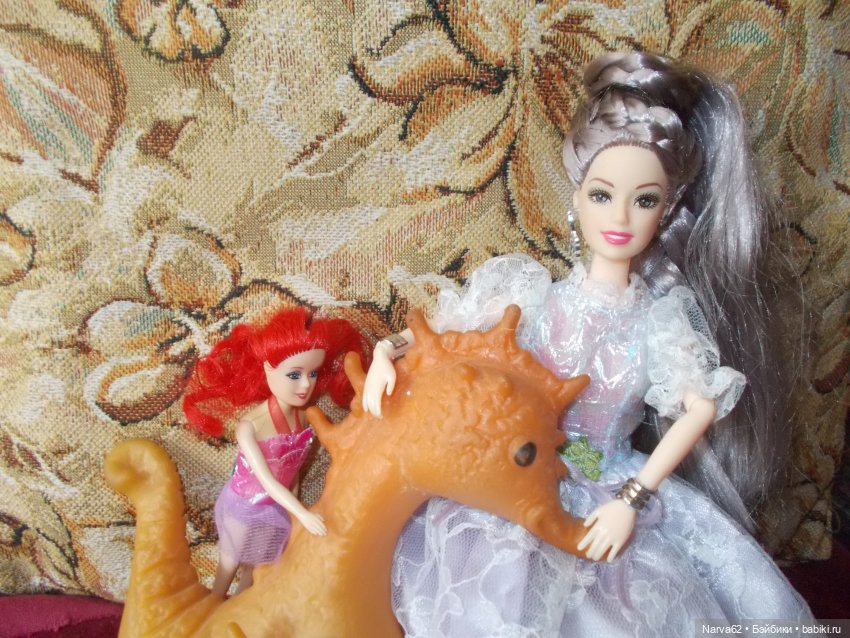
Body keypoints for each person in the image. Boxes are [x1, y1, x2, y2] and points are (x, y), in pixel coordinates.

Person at [363, 52, 812, 636]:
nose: (621, 216)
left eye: (644, 200)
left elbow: (700, 407)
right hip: (517, 468)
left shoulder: (661, 320)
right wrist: (386, 351)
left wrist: (632, 498)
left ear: (666, 211)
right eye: (602, 195)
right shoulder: (530, 294)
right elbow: (447, 332)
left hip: (605, 474)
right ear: (576, 197)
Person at [183, 307, 367, 596]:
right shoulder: (250, 427)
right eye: (294, 374)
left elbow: (293, 471)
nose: (306, 384)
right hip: (245, 507)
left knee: (254, 571)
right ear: (269, 369)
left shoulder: (304, 417)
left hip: (277, 510)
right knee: (228, 565)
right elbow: (267, 480)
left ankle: (239, 609)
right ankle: (212, 608)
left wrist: (293, 509)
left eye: (313, 373)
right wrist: (301, 513)